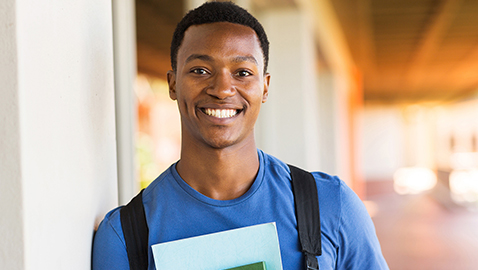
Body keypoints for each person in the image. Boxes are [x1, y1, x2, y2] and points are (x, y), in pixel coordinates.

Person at [92, 1, 389, 269]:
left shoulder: (331, 205)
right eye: (199, 70)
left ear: (265, 87)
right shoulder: (124, 236)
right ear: (172, 84)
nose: (222, 89)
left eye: (243, 73)